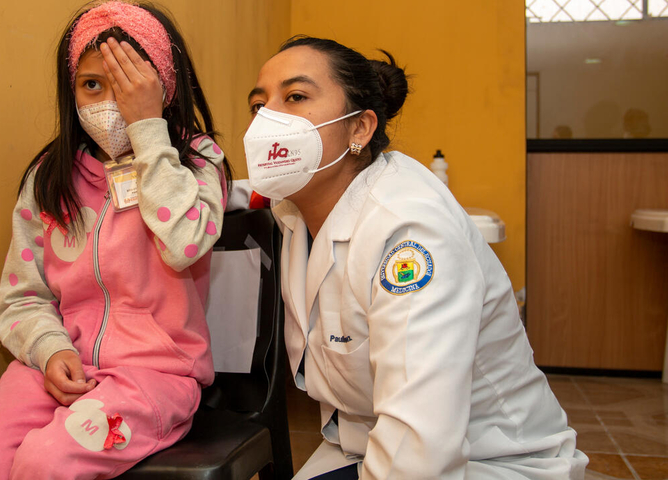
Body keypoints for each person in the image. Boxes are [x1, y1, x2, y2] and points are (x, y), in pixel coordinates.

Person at [242, 36, 587, 479]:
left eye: (295, 97)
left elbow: (419, 450)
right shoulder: (294, 211)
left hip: (486, 463)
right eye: (258, 105)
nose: (269, 119)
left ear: (360, 129)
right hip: (365, 449)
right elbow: (222, 193)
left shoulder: (410, 230)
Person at [0, 0, 230, 479]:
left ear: (164, 86)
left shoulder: (197, 162)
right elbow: (22, 298)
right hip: (58, 369)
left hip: (155, 377)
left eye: (129, 85)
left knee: (46, 462)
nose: (107, 104)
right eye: (92, 85)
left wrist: (148, 132)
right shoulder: (49, 178)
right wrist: (51, 349)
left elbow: (184, 243)